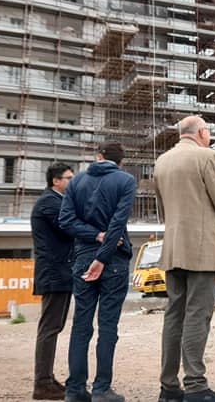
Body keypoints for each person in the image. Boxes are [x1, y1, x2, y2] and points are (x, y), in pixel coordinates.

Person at [154, 116, 215, 402]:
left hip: (174, 247)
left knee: (174, 314)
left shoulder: (162, 161)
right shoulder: (207, 156)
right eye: (209, 132)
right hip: (202, 248)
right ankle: (196, 385)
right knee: (198, 314)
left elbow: (163, 210)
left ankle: (168, 386)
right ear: (202, 132)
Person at [58, 143, 136, 402]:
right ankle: (102, 389)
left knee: (81, 324)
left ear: (99, 157)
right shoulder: (125, 181)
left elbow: (66, 221)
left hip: (82, 258)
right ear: (120, 162)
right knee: (108, 325)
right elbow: (118, 222)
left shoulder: (76, 182)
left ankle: (75, 390)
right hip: (113, 260)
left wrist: (93, 236)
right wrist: (103, 254)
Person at [30, 162, 74, 400]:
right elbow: (69, 226)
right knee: (49, 328)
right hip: (54, 273)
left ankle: (46, 379)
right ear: (56, 181)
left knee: (53, 327)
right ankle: (42, 382)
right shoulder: (50, 202)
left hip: (59, 272)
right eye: (69, 178)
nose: (72, 182)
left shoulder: (55, 201)